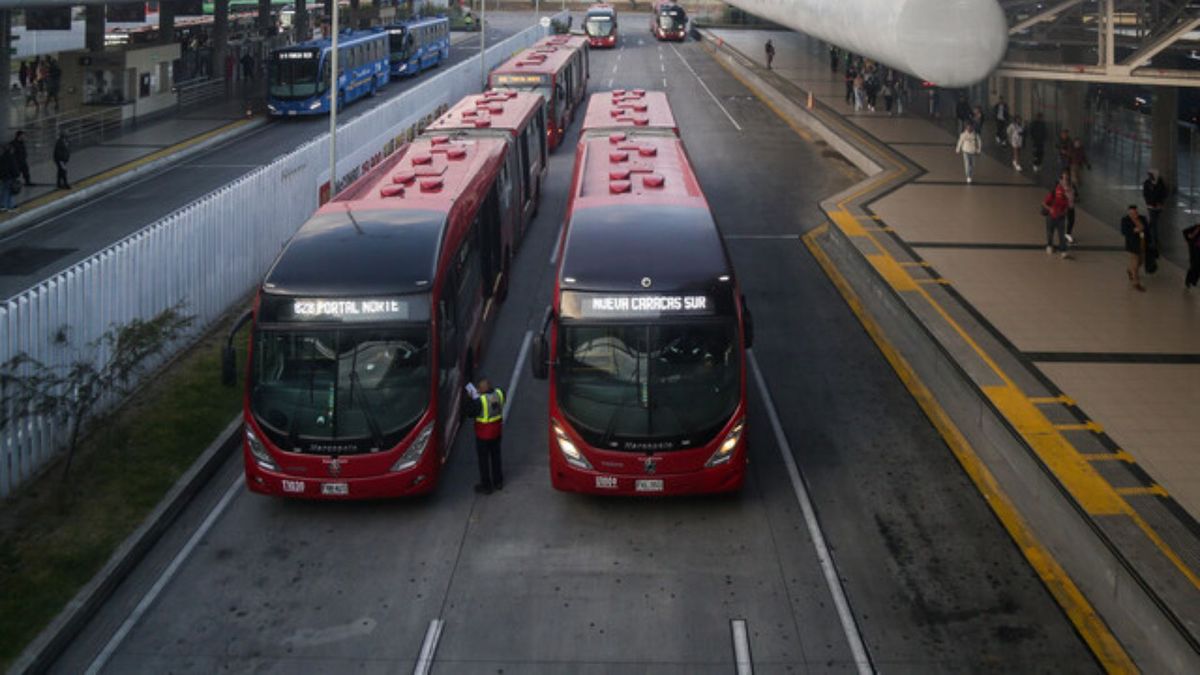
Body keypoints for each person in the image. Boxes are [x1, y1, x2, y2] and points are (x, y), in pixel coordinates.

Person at [464, 378, 505, 494]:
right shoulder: (499, 393)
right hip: (497, 433)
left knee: (484, 461)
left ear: (481, 389)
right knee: (496, 457)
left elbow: (470, 413)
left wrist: (469, 398)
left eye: (479, 388)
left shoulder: (480, 401)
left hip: (483, 435)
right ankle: (498, 482)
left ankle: (486, 485)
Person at [1043, 174, 1072, 259]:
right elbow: (1044, 203)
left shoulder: (1068, 192)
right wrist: (1050, 209)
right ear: (1060, 181)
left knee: (1061, 234)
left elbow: (1068, 205)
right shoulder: (1054, 191)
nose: (1065, 181)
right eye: (1064, 179)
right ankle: (1049, 246)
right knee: (1050, 232)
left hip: (1061, 217)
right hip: (1051, 216)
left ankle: (1063, 251)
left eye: (1066, 180)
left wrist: (1065, 211)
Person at [1121, 205, 1148, 291]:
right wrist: (1134, 230)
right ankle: (1136, 282)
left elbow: (1146, 228)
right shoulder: (1125, 220)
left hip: (1142, 243)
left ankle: (1130, 269)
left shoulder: (1142, 218)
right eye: (1132, 213)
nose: (1134, 214)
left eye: (1135, 212)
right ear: (1129, 213)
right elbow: (1124, 231)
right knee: (1135, 263)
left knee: (1140, 261)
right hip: (1132, 244)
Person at [1142, 169, 1167, 253]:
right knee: (1153, 224)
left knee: (1152, 223)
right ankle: (1153, 241)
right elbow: (1146, 194)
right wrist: (1150, 202)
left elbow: (1163, 194)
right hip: (1151, 207)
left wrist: (1159, 203)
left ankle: (1151, 240)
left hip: (1157, 207)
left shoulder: (1160, 183)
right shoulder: (1147, 183)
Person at [0, 143, 18, 212]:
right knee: (10, 191)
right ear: (10, 149)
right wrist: (16, 174)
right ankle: (9, 206)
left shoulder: (2, 157)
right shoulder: (10, 157)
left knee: (5, 190)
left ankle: (3, 205)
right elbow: (13, 167)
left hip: (4, 177)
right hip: (10, 176)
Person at [1184, 223, 1200, 290]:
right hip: (1196, 248)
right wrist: (1192, 236)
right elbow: (1187, 233)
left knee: (1197, 265)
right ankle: (1189, 280)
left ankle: (1192, 280)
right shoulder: (1198, 227)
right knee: (1195, 264)